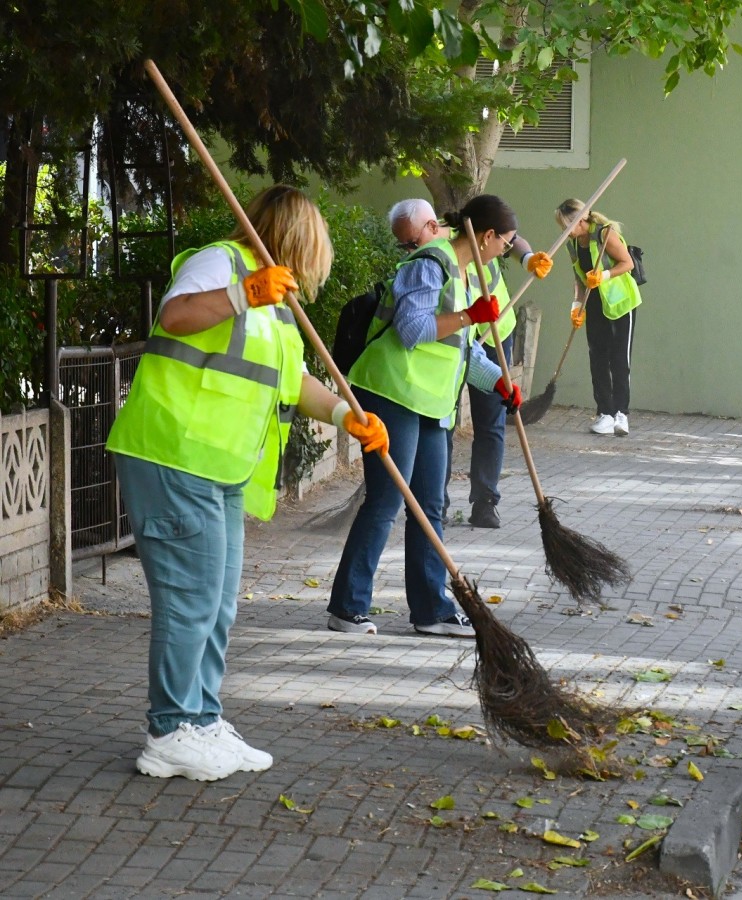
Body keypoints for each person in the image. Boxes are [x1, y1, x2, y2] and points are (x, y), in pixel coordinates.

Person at [107, 185, 391, 782]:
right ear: (294, 235)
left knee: (217, 604)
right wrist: (242, 293)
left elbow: (294, 382)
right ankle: (169, 729)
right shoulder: (223, 264)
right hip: (175, 455)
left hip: (219, 468)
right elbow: (175, 316)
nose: (322, 255)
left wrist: (348, 415)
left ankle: (202, 720)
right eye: (318, 241)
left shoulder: (277, 304)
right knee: (191, 602)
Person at [327, 195, 520, 636]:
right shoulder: (429, 263)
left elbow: (464, 352)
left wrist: (499, 384)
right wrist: (468, 315)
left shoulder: (468, 274)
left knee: (430, 505)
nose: (505, 252)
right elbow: (412, 330)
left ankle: (431, 611)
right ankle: (347, 606)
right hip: (391, 393)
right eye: (506, 244)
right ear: (487, 236)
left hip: (431, 403)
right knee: (387, 499)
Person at [449, 215, 553, 530]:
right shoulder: (445, 246)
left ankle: (485, 503)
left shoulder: (490, 232)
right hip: (456, 336)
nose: (504, 246)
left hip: (496, 333)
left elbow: (514, 239)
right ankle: (434, 502)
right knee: (444, 422)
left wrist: (528, 258)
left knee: (491, 421)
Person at [557, 198, 641, 436]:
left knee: (619, 359)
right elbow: (578, 277)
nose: (564, 230)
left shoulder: (605, 235)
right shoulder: (572, 244)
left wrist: (604, 274)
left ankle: (621, 415)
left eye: (566, 224)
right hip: (593, 303)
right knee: (597, 357)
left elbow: (628, 263)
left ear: (580, 219)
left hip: (620, 303)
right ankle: (604, 412)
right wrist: (576, 305)